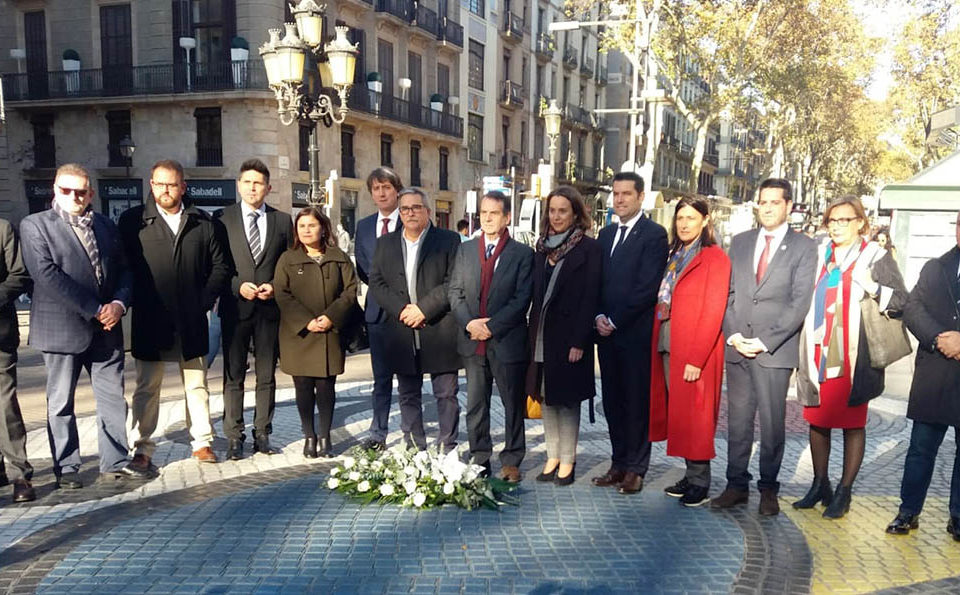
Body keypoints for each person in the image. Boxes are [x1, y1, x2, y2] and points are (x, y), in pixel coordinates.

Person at [20, 164, 148, 488]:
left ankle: (115, 461)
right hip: (61, 329)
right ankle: (66, 467)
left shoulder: (105, 225)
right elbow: (46, 275)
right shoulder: (35, 225)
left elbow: (125, 270)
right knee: (61, 403)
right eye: (67, 190)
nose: (74, 197)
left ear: (91, 193)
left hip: (107, 329)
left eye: (81, 191)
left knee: (113, 399)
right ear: (55, 189)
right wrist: (95, 309)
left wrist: (118, 304)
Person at [794, 195, 908, 518]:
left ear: (860, 223)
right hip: (817, 352)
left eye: (844, 220)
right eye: (832, 220)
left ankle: (844, 492)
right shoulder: (820, 253)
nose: (837, 226)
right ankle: (820, 484)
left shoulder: (875, 256)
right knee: (817, 419)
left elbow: (902, 300)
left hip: (853, 356)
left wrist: (873, 287)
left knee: (852, 423)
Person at [711, 178, 817, 516]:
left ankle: (768, 488)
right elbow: (727, 293)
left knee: (772, 423)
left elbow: (800, 302)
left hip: (774, 350)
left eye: (775, 202)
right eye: (763, 202)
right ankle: (736, 485)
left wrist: (764, 341)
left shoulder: (804, 247)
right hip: (738, 346)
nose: (767, 208)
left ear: (788, 206)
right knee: (738, 421)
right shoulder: (741, 242)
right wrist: (733, 335)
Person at [119, 160, 231, 469]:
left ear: (183, 186)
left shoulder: (203, 222)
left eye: (171, 184)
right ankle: (141, 447)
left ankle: (202, 442)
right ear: (151, 184)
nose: (165, 190)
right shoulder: (132, 221)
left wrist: (202, 302)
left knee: (196, 385)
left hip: (191, 319)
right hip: (150, 318)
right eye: (159, 184)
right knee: (146, 387)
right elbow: (122, 266)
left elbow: (221, 267)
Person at [648, 196, 731, 506]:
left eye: (691, 218)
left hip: (695, 350)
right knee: (681, 416)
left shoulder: (714, 258)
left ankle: (700, 481)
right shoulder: (676, 254)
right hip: (669, 341)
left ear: (706, 220)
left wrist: (697, 358)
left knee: (697, 417)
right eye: (680, 218)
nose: (684, 224)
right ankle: (691, 473)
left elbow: (713, 311)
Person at [592, 172, 668, 495]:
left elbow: (648, 286)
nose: (619, 199)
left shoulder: (654, 235)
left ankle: (636, 469)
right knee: (612, 403)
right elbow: (596, 280)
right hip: (606, 337)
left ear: (640, 197)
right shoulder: (606, 234)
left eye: (626, 194)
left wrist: (615, 319)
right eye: (616, 193)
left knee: (636, 403)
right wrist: (598, 316)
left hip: (635, 335)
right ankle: (618, 463)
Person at [449, 191, 533, 481]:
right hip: (472, 341)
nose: (487, 218)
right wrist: (469, 324)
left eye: (493, 213)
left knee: (512, 404)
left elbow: (522, 298)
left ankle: (512, 460)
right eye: (483, 213)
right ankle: (480, 457)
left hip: (506, 341)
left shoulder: (522, 254)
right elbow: (455, 292)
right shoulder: (465, 250)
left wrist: (492, 327)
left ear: (506, 217)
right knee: (476, 404)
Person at [369, 188, 462, 450]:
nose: (410, 213)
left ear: (428, 211)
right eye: (405, 209)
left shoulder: (448, 240)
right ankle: (414, 447)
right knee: (408, 393)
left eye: (416, 207)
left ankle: (447, 447)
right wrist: (402, 310)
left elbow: (454, 281)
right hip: (401, 331)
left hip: (439, 327)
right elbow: (376, 282)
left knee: (446, 393)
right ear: (399, 213)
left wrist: (423, 309)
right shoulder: (385, 243)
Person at [887, 211, 960, 537]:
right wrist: (939, 338)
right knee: (920, 449)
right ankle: (908, 511)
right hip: (935, 372)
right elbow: (913, 308)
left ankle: (958, 516)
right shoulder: (935, 267)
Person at [215, 159, 293, 460]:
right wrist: (237, 286)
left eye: (258, 183)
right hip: (235, 309)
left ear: (268, 188)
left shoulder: (282, 221)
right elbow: (216, 264)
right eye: (247, 182)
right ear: (238, 185)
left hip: (269, 310)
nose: (252, 188)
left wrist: (274, 285)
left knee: (266, 375)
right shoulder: (222, 219)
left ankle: (262, 432)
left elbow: (288, 265)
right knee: (233, 375)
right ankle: (234, 436)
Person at [525, 186, 601, 487]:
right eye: (553, 211)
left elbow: (591, 296)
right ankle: (552, 456)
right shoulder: (542, 248)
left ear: (575, 214)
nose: (556, 217)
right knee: (546, 397)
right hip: (542, 333)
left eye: (563, 211)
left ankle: (568, 460)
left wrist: (580, 341)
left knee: (568, 401)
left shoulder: (588, 248)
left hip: (570, 337)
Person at [274, 207, 358, 458]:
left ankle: (325, 436)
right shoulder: (287, 259)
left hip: (329, 333)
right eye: (301, 226)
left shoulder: (338, 257)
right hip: (298, 335)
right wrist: (305, 321)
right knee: (302, 387)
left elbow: (350, 291)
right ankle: (309, 435)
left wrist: (331, 317)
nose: (306, 230)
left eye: (312, 225)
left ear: (323, 228)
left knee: (325, 387)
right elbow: (281, 293)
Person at [354, 167, 403, 451]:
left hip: (407, 310)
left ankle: (413, 431)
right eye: (376, 189)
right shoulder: (363, 226)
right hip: (377, 312)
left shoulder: (409, 219)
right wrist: (383, 290)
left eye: (387, 187)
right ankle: (378, 432)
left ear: (397, 190)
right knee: (381, 379)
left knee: (409, 378)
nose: (382, 193)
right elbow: (363, 268)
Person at [0, 217, 35, 502]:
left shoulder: (3, 229)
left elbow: (20, 274)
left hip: (0, 335)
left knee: (4, 404)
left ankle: (19, 474)